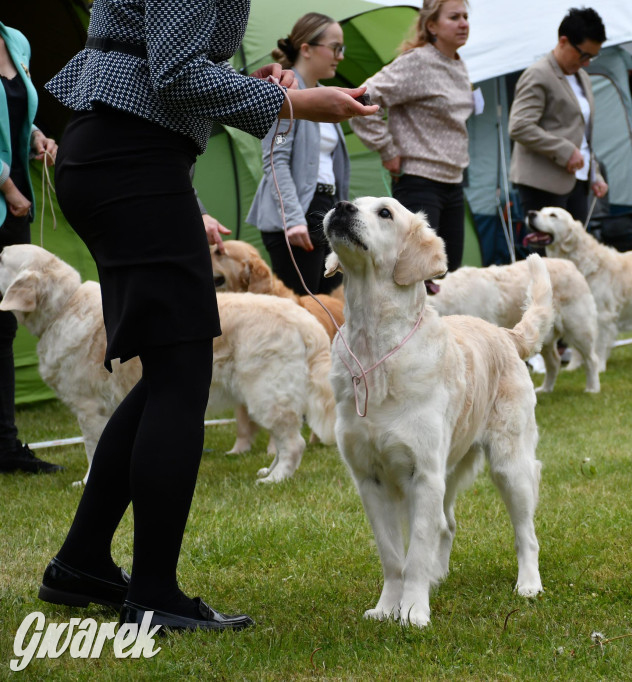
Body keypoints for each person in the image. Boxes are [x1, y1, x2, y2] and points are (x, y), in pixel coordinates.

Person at [38, 0, 376, 632]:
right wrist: (294, 104)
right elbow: (174, 73)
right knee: (183, 374)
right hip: (129, 157)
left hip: (129, 156)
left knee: (171, 373)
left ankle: (81, 562)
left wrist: (255, 88)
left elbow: (171, 64)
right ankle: (155, 595)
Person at [349, 0, 473, 273]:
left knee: (446, 273)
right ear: (431, 25)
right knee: (415, 274)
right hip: (420, 182)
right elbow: (363, 100)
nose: (464, 23)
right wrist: (387, 149)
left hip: (453, 182)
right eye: (454, 17)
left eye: (465, 16)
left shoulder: (458, 64)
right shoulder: (417, 62)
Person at [247, 13, 350, 295]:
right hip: (296, 215)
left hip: (325, 209)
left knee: (330, 305)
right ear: (306, 48)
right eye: (335, 47)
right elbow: (274, 158)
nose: (340, 56)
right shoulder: (284, 94)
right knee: (303, 309)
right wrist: (292, 219)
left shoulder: (326, 97)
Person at [0, 22, 63, 475]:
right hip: (9, 196)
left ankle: (5, 447)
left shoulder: (17, 39)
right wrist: (5, 185)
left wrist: (35, 136)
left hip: (16, 210)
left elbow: (12, 112)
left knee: (3, 328)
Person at [508, 6, 608, 226]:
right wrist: (564, 151)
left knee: (575, 255)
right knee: (548, 259)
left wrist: (595, 174)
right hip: (543, 184)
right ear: (563, 41)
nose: (586, 62)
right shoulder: (538, 74)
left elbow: (580, 134)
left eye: (592, 56)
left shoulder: (583, 77)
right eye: (583, 54)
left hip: (577, 183)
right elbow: (519, 126)